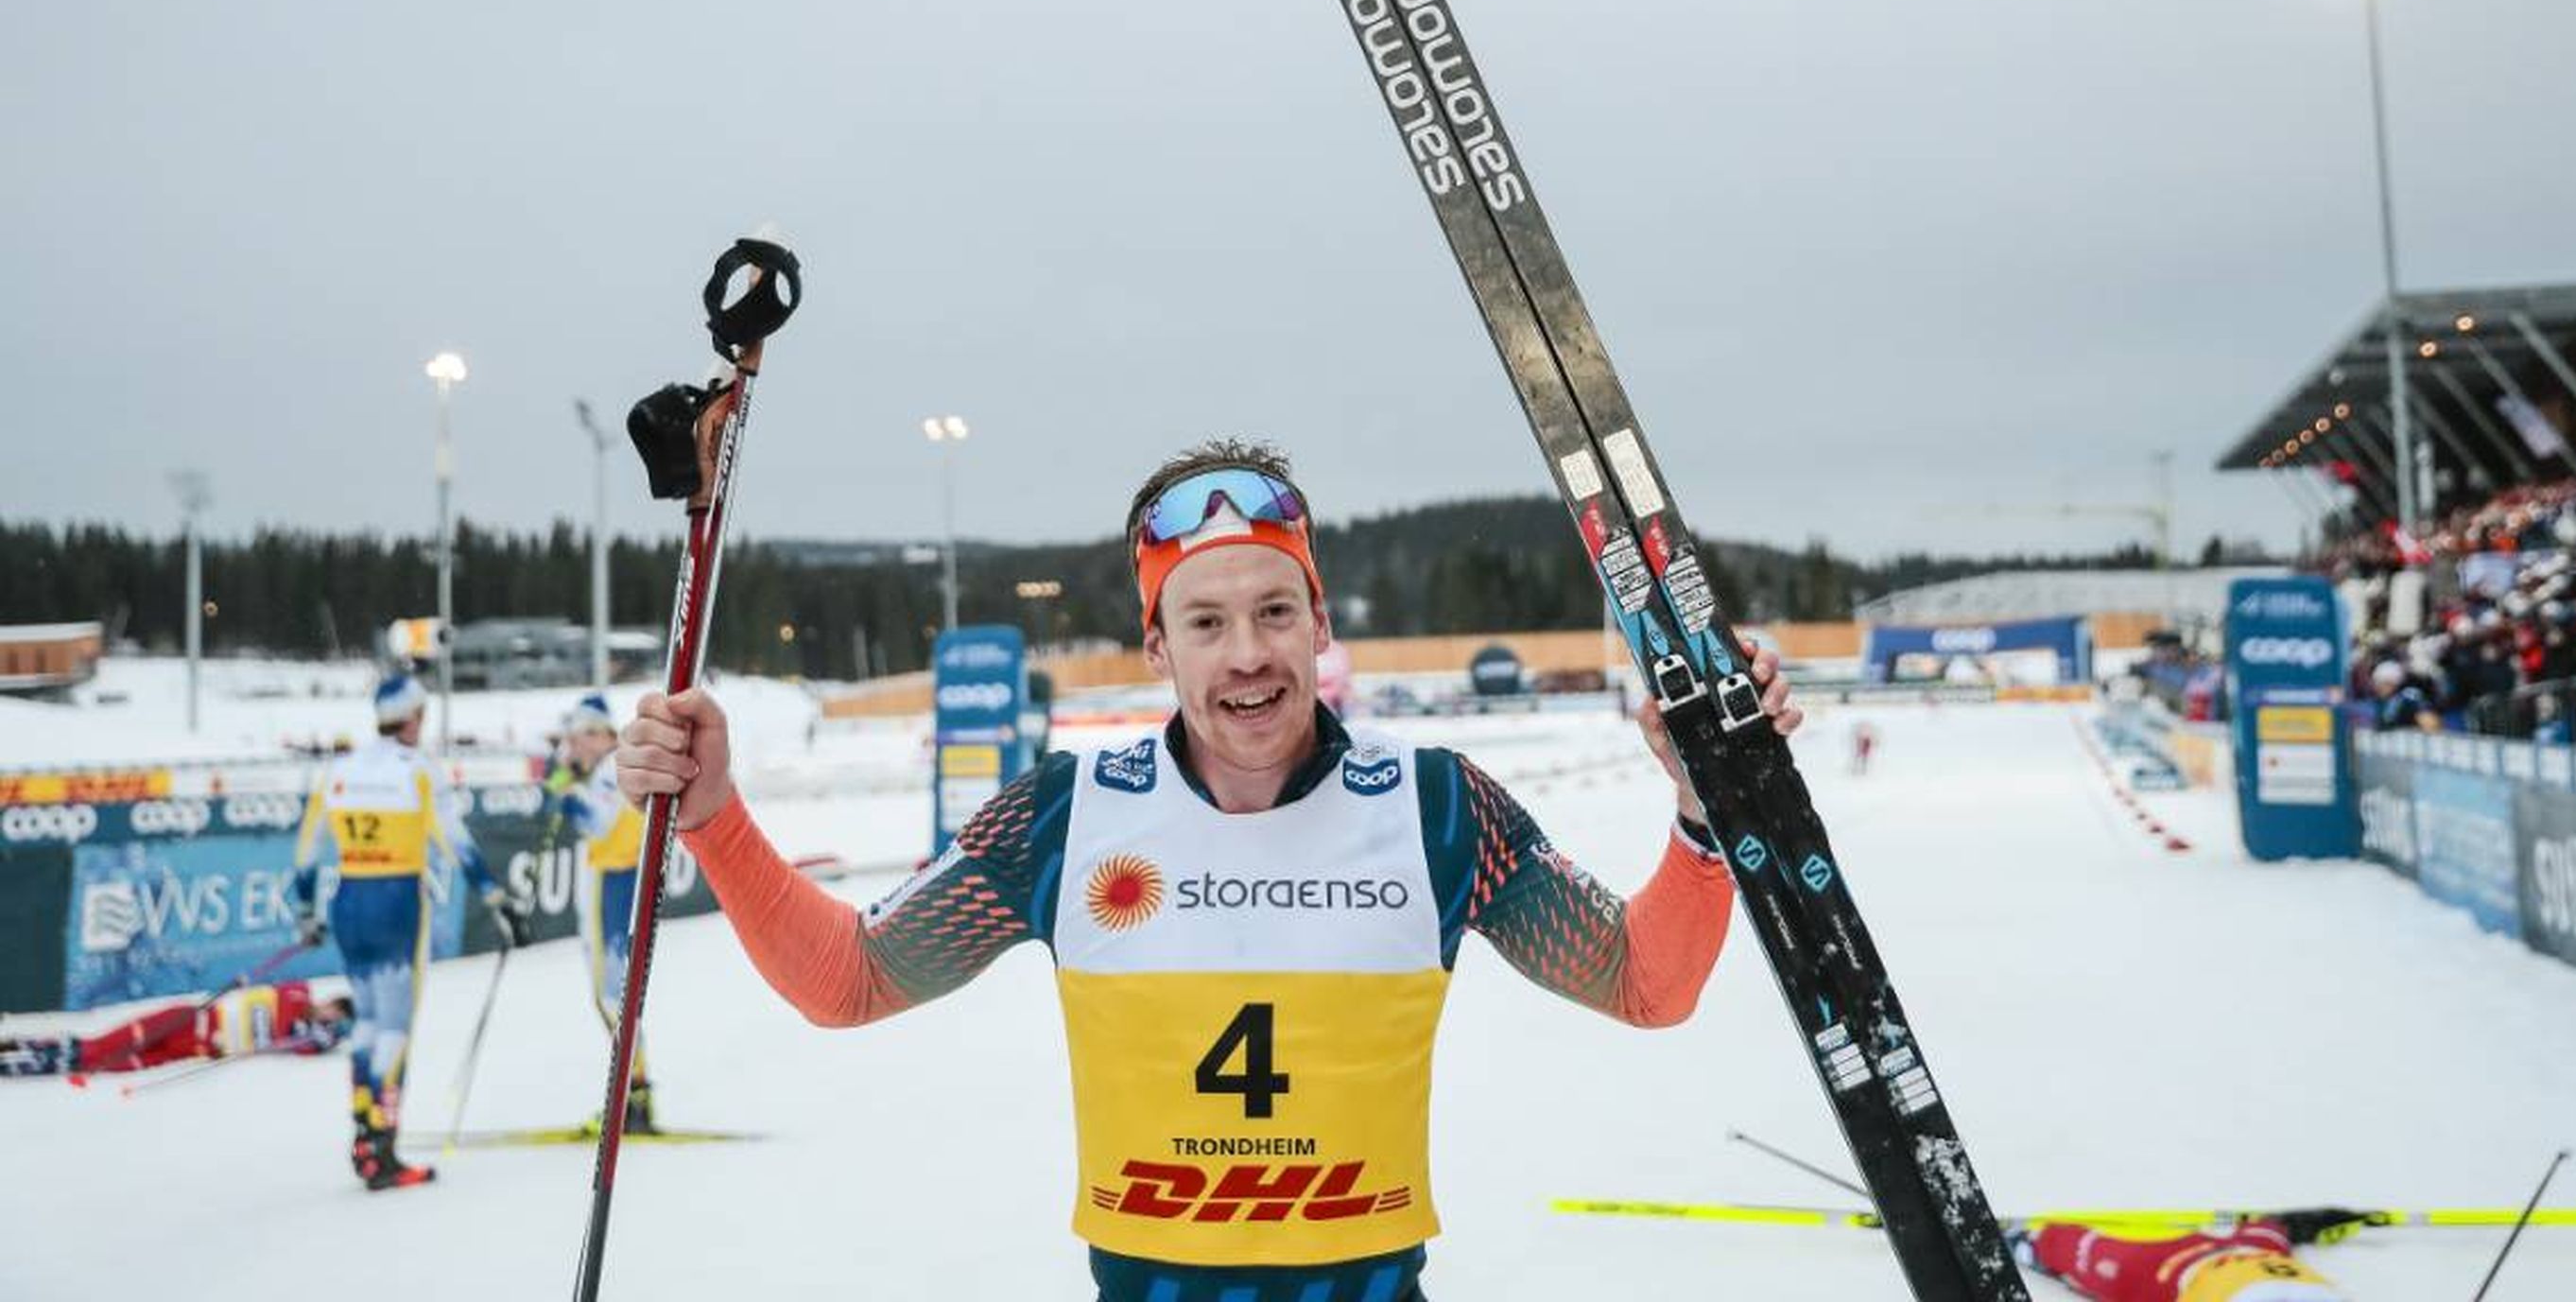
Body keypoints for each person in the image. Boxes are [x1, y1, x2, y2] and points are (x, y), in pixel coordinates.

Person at [617, 442, 1800, 1301]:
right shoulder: (1068, 814)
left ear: (1322, 624)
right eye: (1206, 621)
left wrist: (1703, 807)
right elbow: (851, 981)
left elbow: (1648, 984)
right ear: (1153, 644)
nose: (1248, 656)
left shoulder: (1438, 808)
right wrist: (715, 812)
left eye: (1277, 610)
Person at [290, 670, 527, 1191]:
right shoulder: (419, 770)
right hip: (397, 902)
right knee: (396, 1027)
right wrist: (495, 898)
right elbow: (455, 841)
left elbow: (307, 849)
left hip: (349, 898)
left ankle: (363, 1125)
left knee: (368, 1022)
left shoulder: (340, 768)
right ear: (415, 717)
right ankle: (382, 1147)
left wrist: (306, 911)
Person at [543, 690, 657, 1134]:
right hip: (619, 879)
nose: (573, 748)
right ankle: (634, 1094)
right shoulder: (608, 767)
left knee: (608, 995)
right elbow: (552, 794)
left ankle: (635, 1096)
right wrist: (563, 782)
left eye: (579, 739)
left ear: (601, 735)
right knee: (615, 995)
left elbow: (598, 823)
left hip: (611, 882)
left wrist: (567, 793)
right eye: (570, 739)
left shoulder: (610, 771)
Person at [0, 980, 352, 1079]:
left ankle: (28, 1062)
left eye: (331, 1021)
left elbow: (309, 1045)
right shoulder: (296, 994)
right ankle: (21, 1046)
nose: (326, 1019)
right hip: (190, 1019)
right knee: (100, 1047)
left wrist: (326, 1033)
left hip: (193, 1049)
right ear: (329, 1002)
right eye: (330, 1013)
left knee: (108, 1064)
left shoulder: (303, 1037)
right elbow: (285, 1002)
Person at [2014, 1211, 2365, 1299]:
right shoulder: (2263, 1240)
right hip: (2191, 1270)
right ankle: (2029, 1243)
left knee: (2095, 1259)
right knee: (2099, 1261)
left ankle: (2029, 1242)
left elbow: (2270, 1230)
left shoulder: (2264, 1240)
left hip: (2230, 1265)